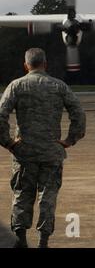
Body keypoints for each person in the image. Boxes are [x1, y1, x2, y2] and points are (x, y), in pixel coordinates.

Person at [0, 48, 86, 248]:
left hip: (24, 153)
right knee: (48, 196)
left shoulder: (16, 86)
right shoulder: (59, 86)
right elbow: (78, 114)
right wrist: (70, 139)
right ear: (45, 64)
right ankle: (43, 240)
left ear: (26, 65)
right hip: (51, 151)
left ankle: (20, 238)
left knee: (22, 194)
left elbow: (1, 115)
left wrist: (8, 142)